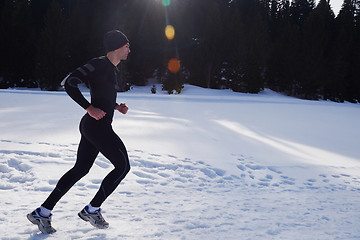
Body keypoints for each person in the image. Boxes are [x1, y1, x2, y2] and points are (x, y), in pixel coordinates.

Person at [27, 30, 131, 234]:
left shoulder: (112, 69)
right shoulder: (98, 64)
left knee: (81, 169)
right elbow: (69, 82)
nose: (130, 49)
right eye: (127, 46)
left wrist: (116, 106)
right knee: (123, 166)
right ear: (117, 47)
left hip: (95, 127)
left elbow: (102, 95)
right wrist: (88, 108)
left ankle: (43, 211)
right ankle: (92, 210)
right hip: (96, 127)